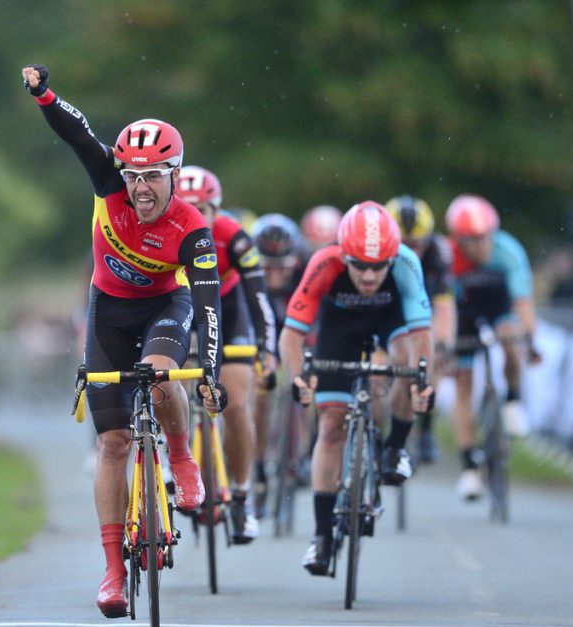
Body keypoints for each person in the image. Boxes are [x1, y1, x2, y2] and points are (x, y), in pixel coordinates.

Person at [21, 64, 226, 618]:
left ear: (174, 178)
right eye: (133, 176)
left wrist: (208, 370)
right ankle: (113, 570)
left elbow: (208, 304)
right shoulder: (109, 186)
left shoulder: (192, 229)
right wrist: (44, 95)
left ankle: (181, 459)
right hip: (108, 312)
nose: (139, 187)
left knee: (161, 380)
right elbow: (79, 135)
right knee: (112, 443)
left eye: (152, 176)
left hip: (165, 306)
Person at [279, 201, 434, 575]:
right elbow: (291, 336)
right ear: (343, 255)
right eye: (359, 265)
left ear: (391, 258)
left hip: (390, 320)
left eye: (378, 266)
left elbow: (421, 335)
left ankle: (395, 447)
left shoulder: (406, 263)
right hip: (340, 329)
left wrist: (421, 381)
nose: (368, 275)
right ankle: (321, 537)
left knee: (405, 365)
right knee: (331, 425)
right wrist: (299, 378)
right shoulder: (324, 263)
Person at [176, 166, 277, 543]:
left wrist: (266, 347)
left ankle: (242, 494)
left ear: (218, 210)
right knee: (166, 386)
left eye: (204, 209)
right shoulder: (162, 232)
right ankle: (177, 463)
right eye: (186, 207)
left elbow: (260, 298)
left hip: (229, 309)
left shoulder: (235, 238)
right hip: (182, 307)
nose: (196, 216)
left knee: (234, 403)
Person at [445, 194, 541, 501]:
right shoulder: (448, 258)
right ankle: (468, 467)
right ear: (459, 240)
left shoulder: (508, 251)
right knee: (463, 383)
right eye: (473, 240)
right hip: (462, 313)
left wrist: (530, 341)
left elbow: (523, 303)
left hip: (498, 307)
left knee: (511, 341)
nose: (482, 246)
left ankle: (513, 400)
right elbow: (442, 308)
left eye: (486, 237)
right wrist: (444, 349)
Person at [385, 195, 457, 463]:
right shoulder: (379, 252)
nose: (411, 252)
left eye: (417, 244)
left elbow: (445, 306)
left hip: (420, 309)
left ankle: (426, 426)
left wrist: (444, 343)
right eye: (405, 244)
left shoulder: (438, 252)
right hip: (386, 309)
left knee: (433, 354)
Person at [248, 213, 309, 518]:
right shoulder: (249, 277)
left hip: (296, 336)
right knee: (261, 392)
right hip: (262, 338)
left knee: (313, 387)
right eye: (267, 268)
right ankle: (258, 465)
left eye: (281, 268)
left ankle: (304, 454)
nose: (274, 276)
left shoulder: (305, 269)